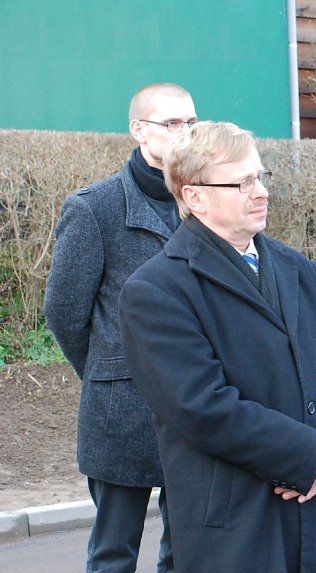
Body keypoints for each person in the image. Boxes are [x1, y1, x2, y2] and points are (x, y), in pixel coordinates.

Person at [117, 121, 316, 572]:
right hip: (239, 528)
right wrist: (313, 456)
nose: (260, 192)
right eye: (241, 183)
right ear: (194, 196)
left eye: (260, 177)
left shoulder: (299, 268)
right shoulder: (156, 290)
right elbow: (204, 408)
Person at [44, 82, 197, 573]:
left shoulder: (205, 200)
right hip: (120, 413)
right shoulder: (94, 207)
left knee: (188, 549)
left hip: (198, 404)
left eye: (191, 122)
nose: (185, 132)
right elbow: (64, 312)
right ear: (139, 130)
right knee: (113, 552)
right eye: (172, 123)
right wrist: (108, 368)